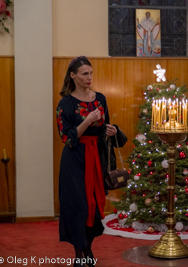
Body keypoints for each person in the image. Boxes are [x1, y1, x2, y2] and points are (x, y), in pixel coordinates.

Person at [56, 56, 117, 267]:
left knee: (93, 206)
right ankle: (78, 253)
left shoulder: (100, 98)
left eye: (91, 73)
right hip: (74, 161)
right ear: (73, 76)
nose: (89, 77)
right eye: (84, 74)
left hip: (95, 157)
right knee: (78, 206)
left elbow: (104, 127)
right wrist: (88, 120)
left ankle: (89, 248)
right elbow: (67, 138)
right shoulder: (65, 103)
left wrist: (112, 130)